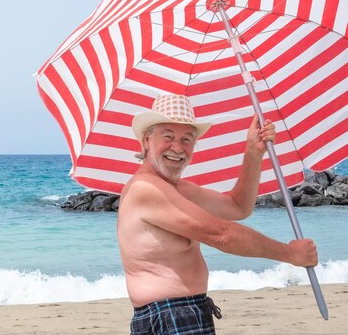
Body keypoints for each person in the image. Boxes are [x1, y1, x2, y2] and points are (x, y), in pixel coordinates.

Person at [117, 94, 318, 335]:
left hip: (182, 311)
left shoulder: (180, 190)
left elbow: (237, 206)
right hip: (169, 315)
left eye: (187, 139)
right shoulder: (145, 188)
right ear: (147, 140)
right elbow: (221, 235)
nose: (178, 148)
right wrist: (290, 253)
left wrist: (253, 153)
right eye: (168, 136)